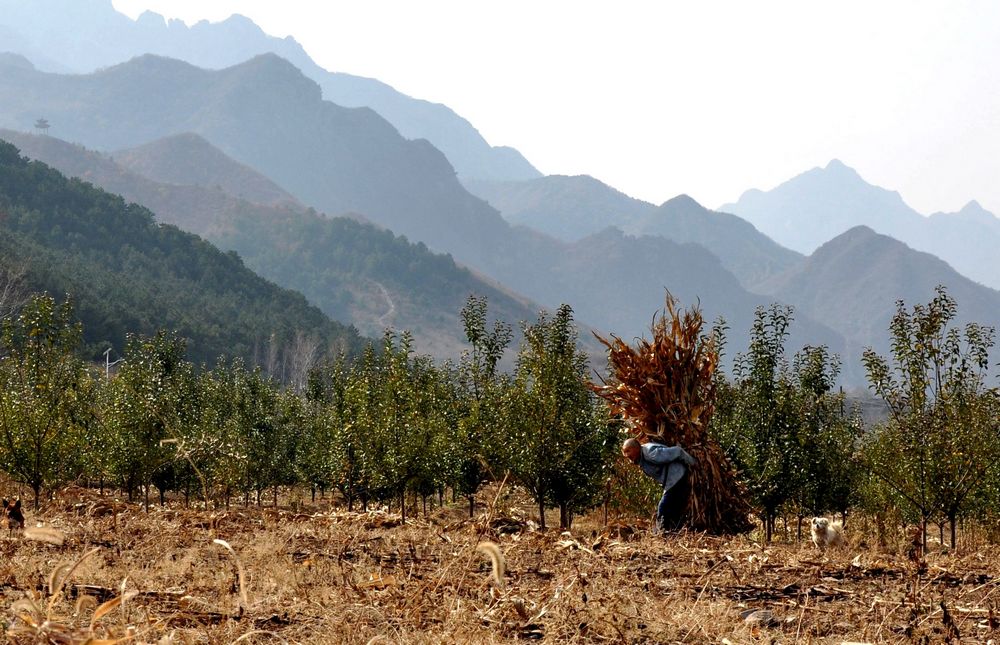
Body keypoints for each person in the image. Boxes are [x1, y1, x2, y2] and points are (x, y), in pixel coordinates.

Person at [621, 438, 696, 533]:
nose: (626, 455)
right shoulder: (641, 458)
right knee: (673, 508)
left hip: (677, 476)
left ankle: (661, 533)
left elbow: (678, 451)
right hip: (670, 481)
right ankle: (673, 532)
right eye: (624, 452)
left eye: (628, 451)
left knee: (663, 507)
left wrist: (694, 464)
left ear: (636, 448)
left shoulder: (651, 453)